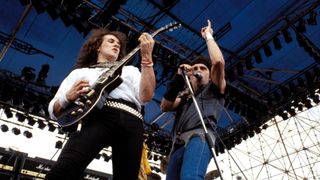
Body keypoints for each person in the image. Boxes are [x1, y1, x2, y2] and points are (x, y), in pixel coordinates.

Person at [46, 28, 156, 180]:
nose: (116, 45)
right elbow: (53, 110)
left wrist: (147, 56)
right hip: (96, 117)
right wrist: (67, 97)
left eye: (118, 44)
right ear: (98, 47)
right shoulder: (80, 73)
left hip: (132, 121)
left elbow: (146, 96)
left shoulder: (130, 71)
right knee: (65, 168)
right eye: (111, 41)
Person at [160, 19, 226, 180]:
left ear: (210, 76)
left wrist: (208, 36)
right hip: (178, 144)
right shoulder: (185, 96)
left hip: (200, 137)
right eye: (195, 68)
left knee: (190, 176)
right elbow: (165, 106)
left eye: (203, 69)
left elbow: (217, 62)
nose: (198, 70)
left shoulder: (214, 88)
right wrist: (178, 79)